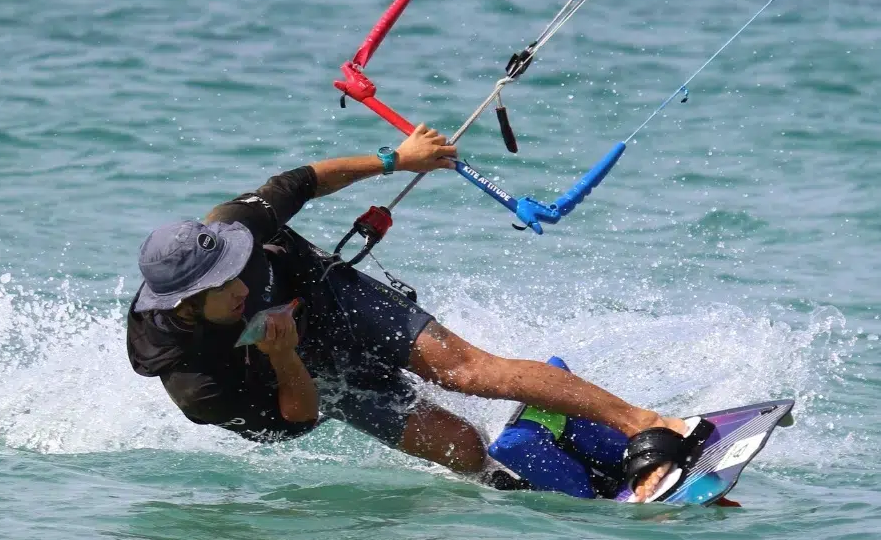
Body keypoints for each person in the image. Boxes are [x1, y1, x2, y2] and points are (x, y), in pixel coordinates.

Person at [126, 124, 687, 501]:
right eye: (228, 281)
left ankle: (649, 424)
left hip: (333, 297)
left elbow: (298, 182)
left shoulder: (230, 227)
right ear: (189, 305)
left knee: (465, 371)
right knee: (467, 452)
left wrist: (396, 159)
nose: (242, 274)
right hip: (308, 379)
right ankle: (549, 460)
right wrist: (285, 355)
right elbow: (296, 417)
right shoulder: (194, 381)